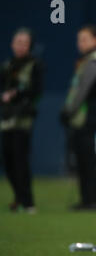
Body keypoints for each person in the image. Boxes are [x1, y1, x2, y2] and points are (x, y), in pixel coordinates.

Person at [61, 25, 96, 210]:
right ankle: (89, 200)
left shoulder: (93, 61)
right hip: (87, 118)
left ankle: (92, 200)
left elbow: (83, 91)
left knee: (87, 161)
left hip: (87, 118)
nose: (80, 43)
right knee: (86, 160)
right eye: (79, 39)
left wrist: (68, 111)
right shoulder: (89, 60)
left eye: (84, 39)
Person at [0, 28, 43, 214]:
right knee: (8, 161)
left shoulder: (35, 65)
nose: (20, 46)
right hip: (6, 119)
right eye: (17, 42)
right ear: (11, 44)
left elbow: (36, 90)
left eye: (24, 43)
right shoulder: (7, 65)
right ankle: (18, 197)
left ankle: (28, 202)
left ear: (30, 45)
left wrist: (18, 95)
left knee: (20, 160)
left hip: (23, 120)